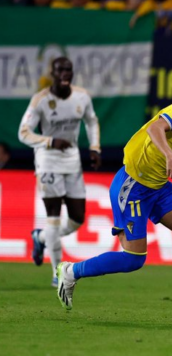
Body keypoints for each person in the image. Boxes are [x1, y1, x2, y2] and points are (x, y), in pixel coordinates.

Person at [55, 71, 172, 319]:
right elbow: (156, 127)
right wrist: (170, 156)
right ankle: (71, 271)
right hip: (133, 185)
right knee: (133, 259)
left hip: (159, 187)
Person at [18, 57, 101, 287]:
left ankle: (41, 237)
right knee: (53, 217)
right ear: (52, 74)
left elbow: (92, 121)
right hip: (47, 160)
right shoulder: (41, 100)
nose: (65, 74)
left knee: (77, 218)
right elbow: (23, 133)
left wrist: (94, 147)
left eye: (69, 70)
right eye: (60, 70)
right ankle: (57, 273)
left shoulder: (81, 96)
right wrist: (49, 141)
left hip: (72, 160)